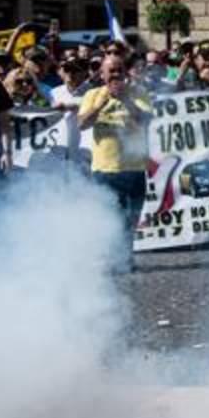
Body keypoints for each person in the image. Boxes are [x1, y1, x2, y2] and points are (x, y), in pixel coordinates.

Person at [77, 56, 153, 272]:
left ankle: (125, 258)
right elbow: (82, 124)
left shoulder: (138, 93)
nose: (116, 74)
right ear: (102, 74)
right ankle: (112, 260)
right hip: (105, 169)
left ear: (126, 72)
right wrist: (102, 103)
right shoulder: (92, 95)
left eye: (119, 69)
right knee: (112, 218)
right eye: (111, 71)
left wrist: (125, 100)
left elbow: (145, 120)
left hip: (134, 168)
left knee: (131, 218)